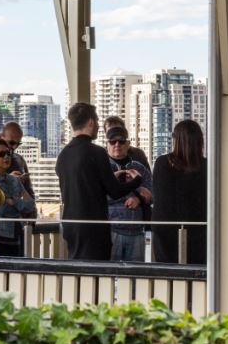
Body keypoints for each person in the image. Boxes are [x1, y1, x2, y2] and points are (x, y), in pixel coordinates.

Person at [55, 103, 143, 261]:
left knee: (78, 275)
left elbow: (80, 185)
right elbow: (115, 191)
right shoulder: (97, 152)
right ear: (90, 122)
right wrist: (137, 180)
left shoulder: (63, 156)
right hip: (94, 226)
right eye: (96, 121)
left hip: (70, 225)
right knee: (97, 277)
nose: (97, 126)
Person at [152, 119, 208, 264]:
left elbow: (160, 200)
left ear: (176, 139)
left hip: (166, 232)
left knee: (169, 279)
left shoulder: (163, 163)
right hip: (200, 232)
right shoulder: (207, 166)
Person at [106, 126, 152, 262]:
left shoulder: (139, 168)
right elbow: (95, 196)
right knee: (107, 276)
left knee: (135, 277)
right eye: (112, 142)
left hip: (137, 232)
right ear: (107, 144)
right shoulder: (101, 168)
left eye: (121, 141)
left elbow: (152, 194)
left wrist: (138, 198)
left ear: (128, 144)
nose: (117, 145)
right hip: (110, 231)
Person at [0, 138, 34, 257]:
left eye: (8, 153)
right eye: (2, 154)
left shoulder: (14, 179)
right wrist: (15, 204)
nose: (6, 157)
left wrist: (13, 202)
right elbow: (0, 209)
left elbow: (30, 205)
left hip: (17, 235)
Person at [0, 122, 37, 202]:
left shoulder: (19, 160)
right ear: (0, 137)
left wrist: (32, 211)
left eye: (18, 144)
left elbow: (29, 192)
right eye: (11, 143)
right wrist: (9, 180)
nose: (14, 147)